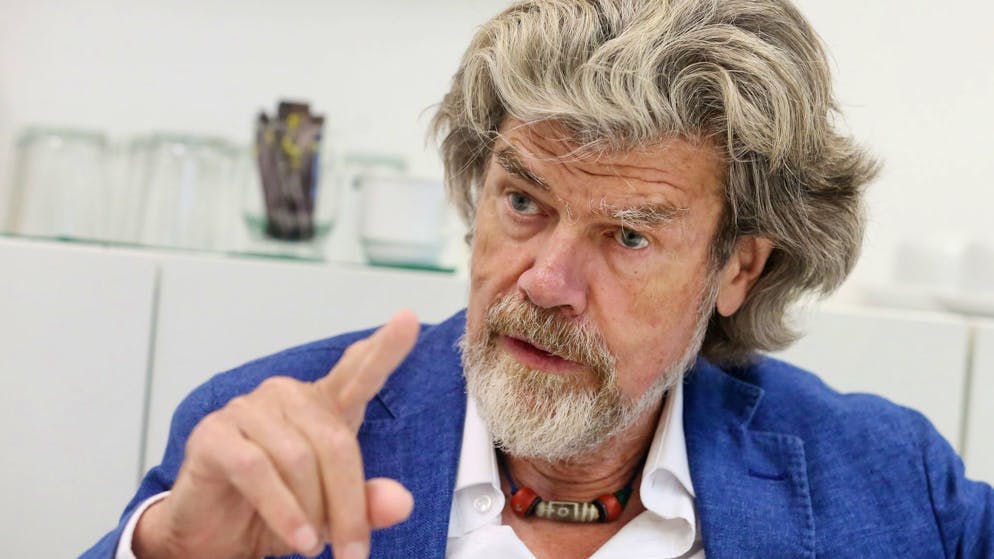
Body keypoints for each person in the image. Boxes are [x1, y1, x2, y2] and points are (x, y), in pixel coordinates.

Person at [84, 0, 994, 557]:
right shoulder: (266, 444)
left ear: (738, 268)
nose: (546, 281)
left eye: (628, 235)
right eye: (523, 201)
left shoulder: (889, 481)